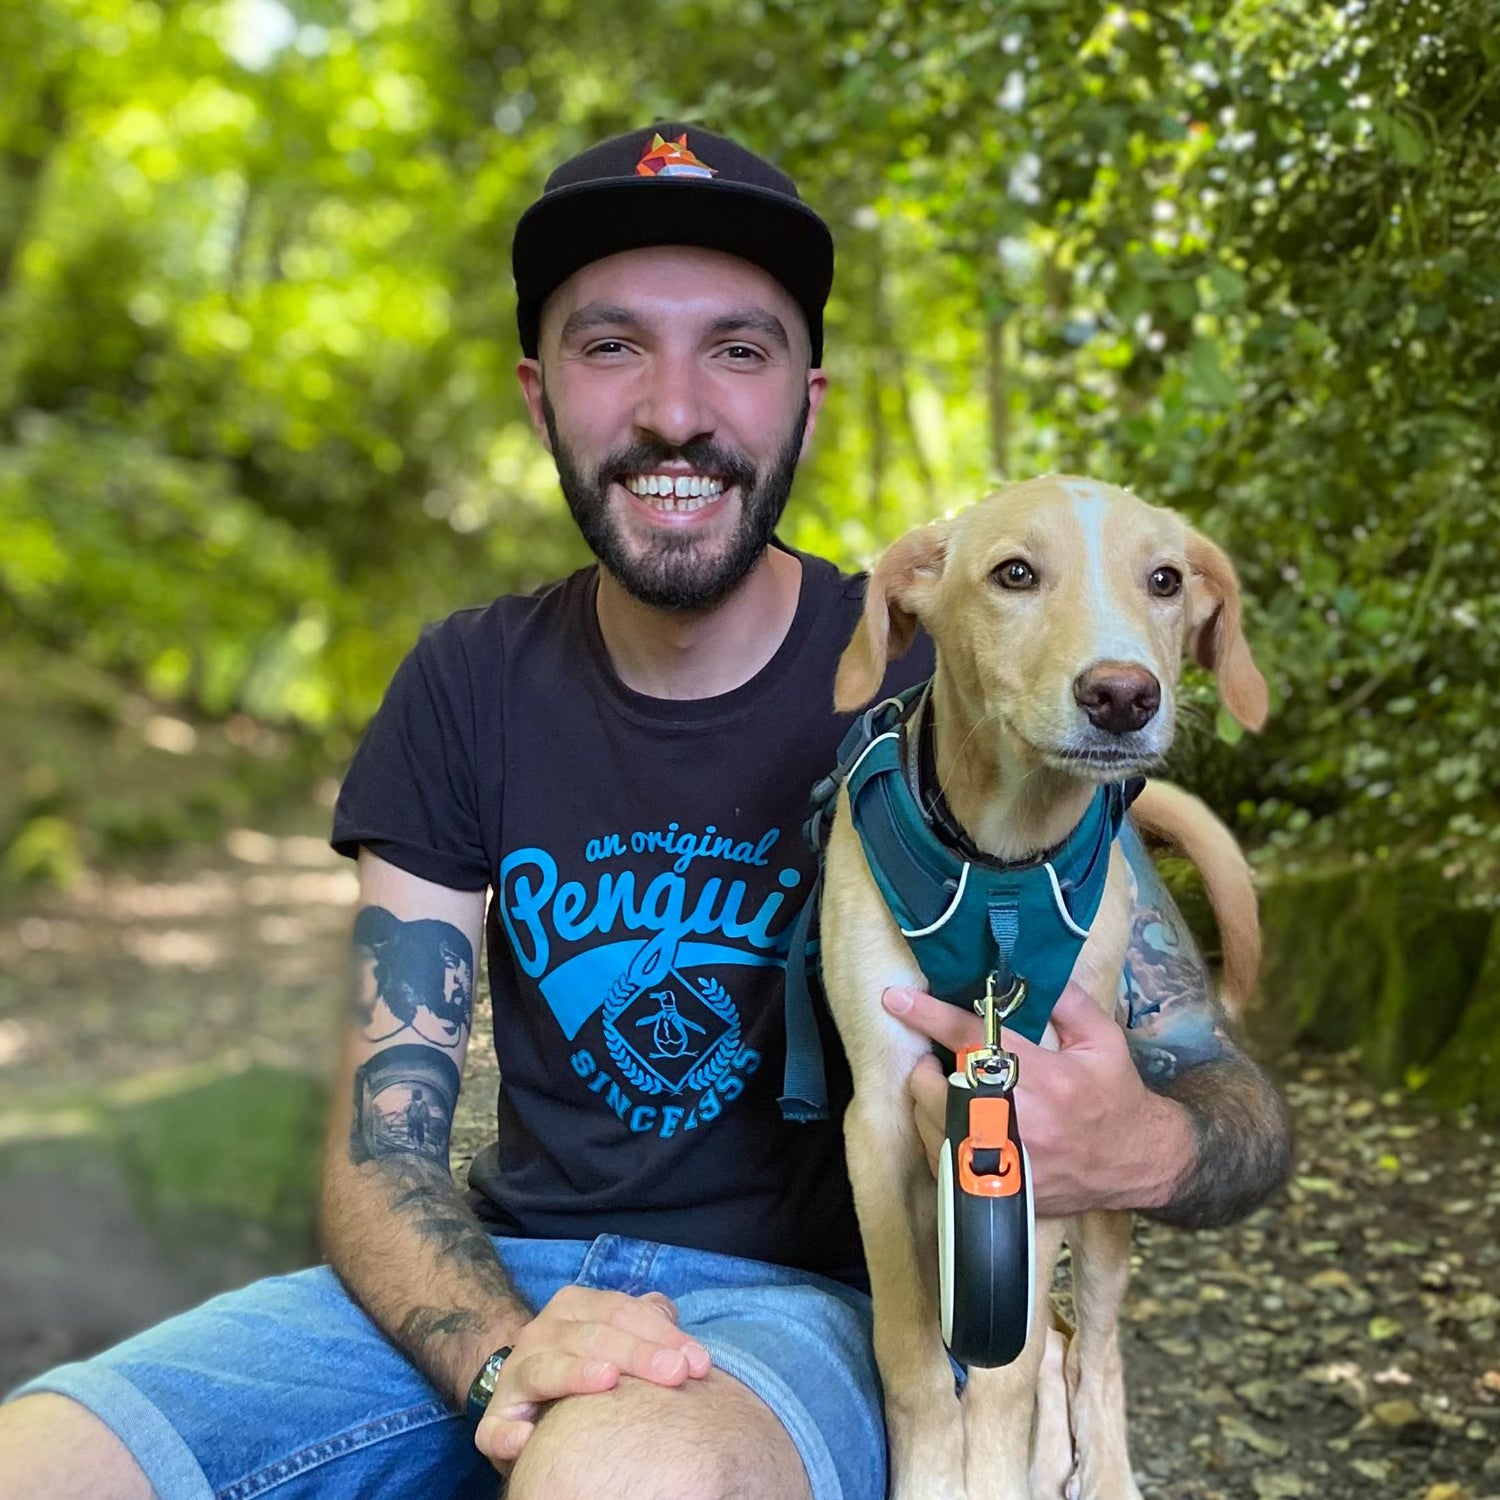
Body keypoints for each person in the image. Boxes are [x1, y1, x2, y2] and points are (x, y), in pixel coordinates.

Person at [0, 123, 1292, 1500]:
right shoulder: (463, 683)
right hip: (507, 1285)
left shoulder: (964, 670)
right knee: (43, 1459)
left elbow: (1222, 1091)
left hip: (798, 1320)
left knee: (615, 1471)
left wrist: (1144, 1144)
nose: (677, 410)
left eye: (738, 349)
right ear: (539, 395)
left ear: (807, 400)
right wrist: (499, 1354)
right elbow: (384, 1151)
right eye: (612, 345)